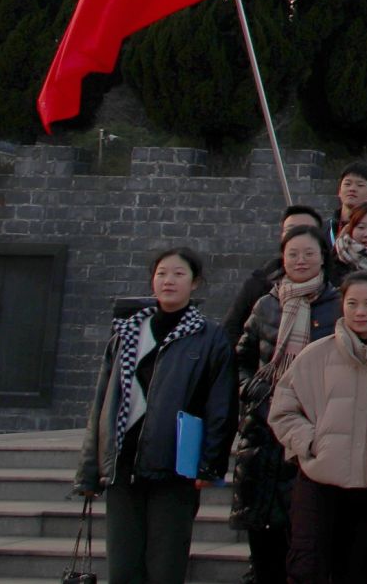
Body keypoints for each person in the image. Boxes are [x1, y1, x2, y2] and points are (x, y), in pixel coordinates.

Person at [76, 247, 234, 584]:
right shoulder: (128, 333)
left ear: (195, 282)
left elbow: (220, 406)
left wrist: (211, 463)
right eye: (162, 273)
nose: (168, 281)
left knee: (165, 567)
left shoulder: (210, 337)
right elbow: (102, 404)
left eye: (178, 274)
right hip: (123, 465)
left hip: (175, 466)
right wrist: (89, 471)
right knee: (123, 568)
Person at [272, 270, 367, 584]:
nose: (361, 312)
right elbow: (283, 410)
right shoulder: (315, 355)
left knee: (359, 571)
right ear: (342, 305)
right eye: (352, 303)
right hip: (318, 482)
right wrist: (310, 442)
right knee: (307, 568)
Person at [231, 225, 342, 583]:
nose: (301, 260)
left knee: (307, 545)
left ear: (323, 257)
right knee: (264, 544)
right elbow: (242, 356)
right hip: (262, 433)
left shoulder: (339, 304)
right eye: (293, 253)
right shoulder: (266, 304)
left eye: (309, 253)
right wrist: (251, 390)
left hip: (313, 432)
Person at [226, 203, 326, 338]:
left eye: (306, 230)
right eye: (291, 230)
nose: (298, 236)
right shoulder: (260, 285)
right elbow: (232, 331)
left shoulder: (336, 292)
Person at [329, 160, 367, 246]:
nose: (352, 189)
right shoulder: (323, 229)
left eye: (360, 185)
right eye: (347, 184)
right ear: (339, 191)